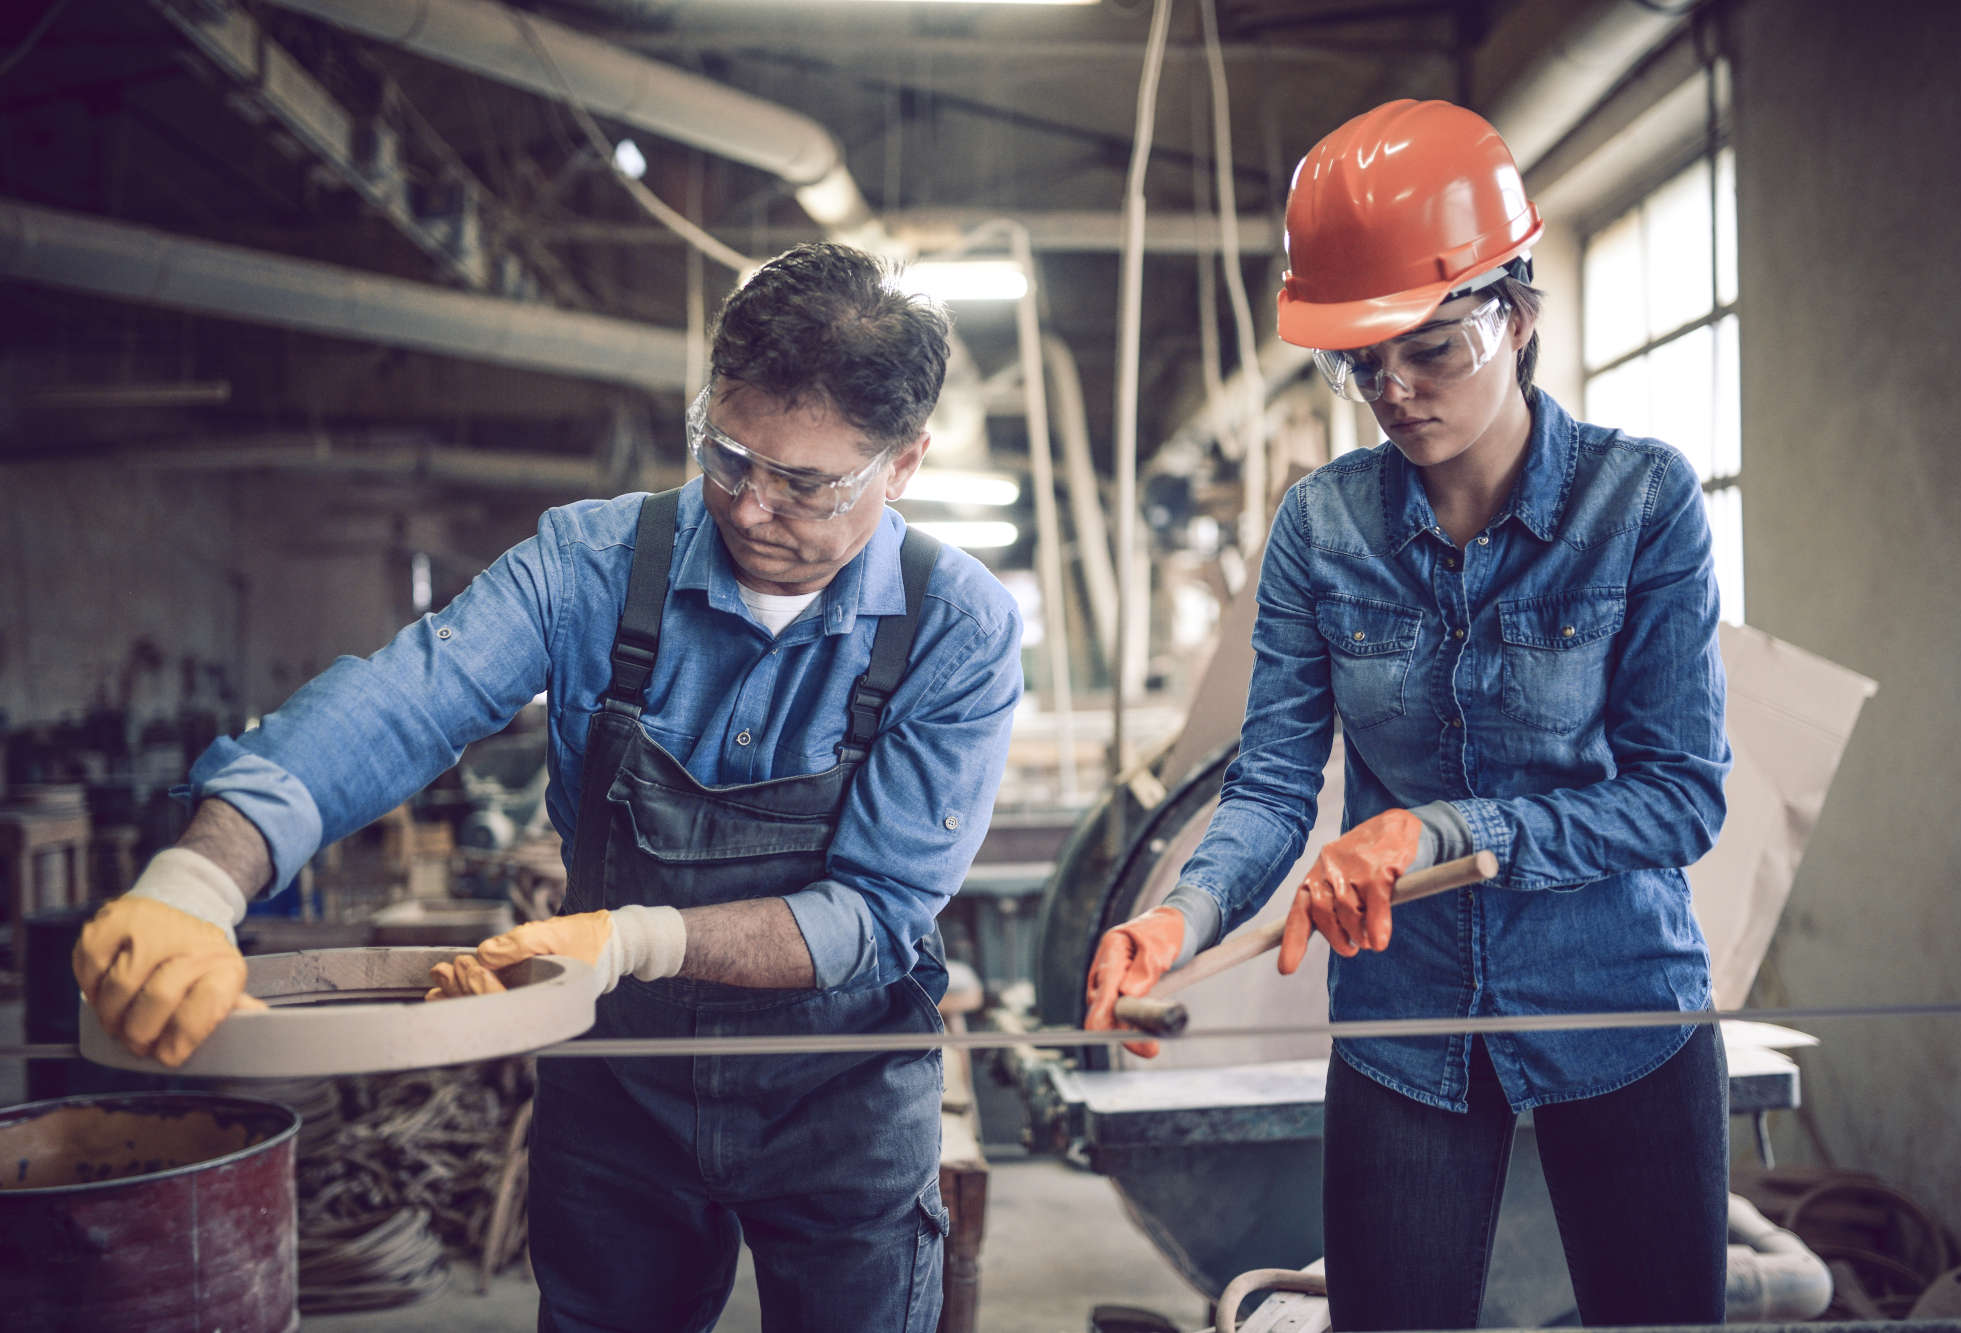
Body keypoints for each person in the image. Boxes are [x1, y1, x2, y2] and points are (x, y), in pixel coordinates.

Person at [73, 241, 1025, 1332]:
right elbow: (403, 701)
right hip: (618, 1089)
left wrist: (634, 937)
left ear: (902, 462)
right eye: (726, 455)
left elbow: (876, 912)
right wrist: (201, 874)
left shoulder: (957, 628)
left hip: (839, 1102)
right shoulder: (591, 564)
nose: (752, 508)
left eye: (805, 484)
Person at [1084, 100, 1732, 1329]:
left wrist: (1434, 829)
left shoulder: (1639, 504)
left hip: (1621, 1002)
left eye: (1430, 347)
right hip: (1406, 1024)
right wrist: (1175, 918)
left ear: (1517, 316)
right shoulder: (1319, 530)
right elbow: (1273, 786)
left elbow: (1678, 796)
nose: (1391, 388)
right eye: (1358, 362)